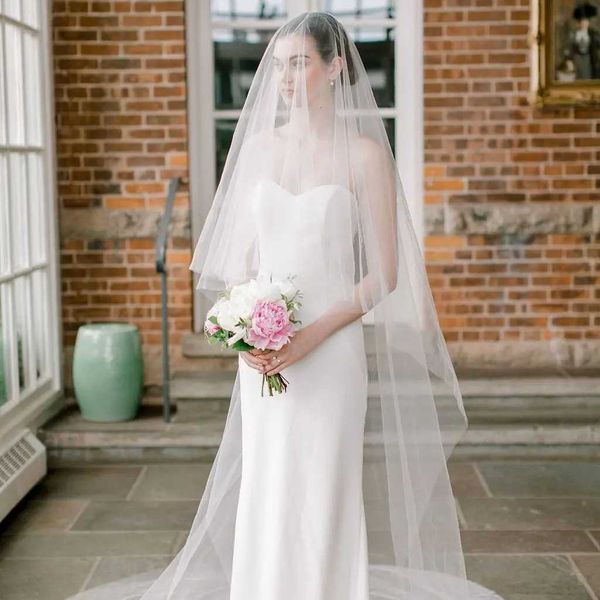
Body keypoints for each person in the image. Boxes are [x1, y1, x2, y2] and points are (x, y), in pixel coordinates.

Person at [63, 11, 505, 600]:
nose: (288, 79)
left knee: (324, 485)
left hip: (330, 351)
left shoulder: (365, 157)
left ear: (335, 67)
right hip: (268, 353)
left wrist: (309, 336)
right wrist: (247, 329)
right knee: (267, 486)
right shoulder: (260, 152)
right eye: (280, 66)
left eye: (300, 63)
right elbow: (245, 260)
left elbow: (384, 276)